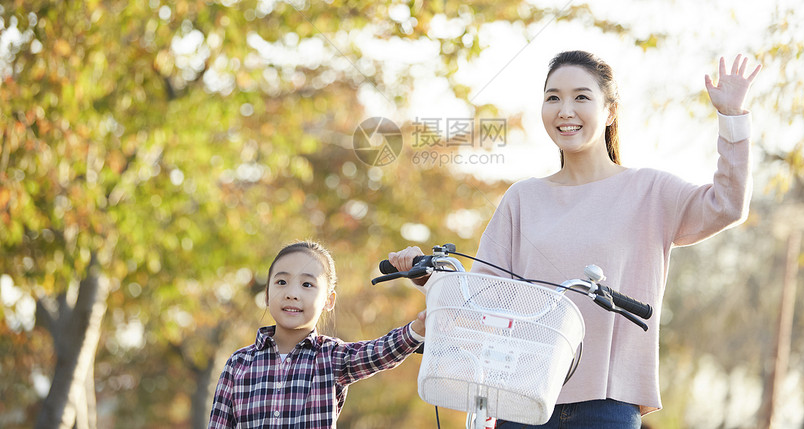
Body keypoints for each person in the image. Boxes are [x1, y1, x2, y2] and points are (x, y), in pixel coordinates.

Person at [389, 51, 761, 428]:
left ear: (610, 111)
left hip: (608, 404)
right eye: (553, 98)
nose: (565, 109)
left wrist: (731, 117)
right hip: (521, 397)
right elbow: (484, 297)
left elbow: (727, 206)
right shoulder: (523, 198)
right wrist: (429, 276)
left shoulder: (650, 191)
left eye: (581, 97)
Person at [208, 241, 426, 428]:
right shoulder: (238, 365)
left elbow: (379, 352)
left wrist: (417, 328)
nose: (292, 294)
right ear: (267, 294)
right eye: (281, 282)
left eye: (307, 284)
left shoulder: (332, 357)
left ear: (328, 301)